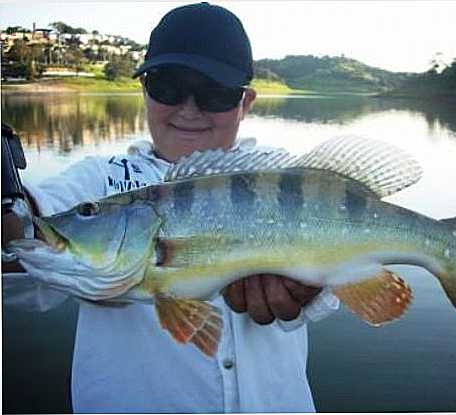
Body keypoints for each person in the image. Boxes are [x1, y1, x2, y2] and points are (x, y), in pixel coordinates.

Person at [2, 3, 339, 413]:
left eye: (214, 93)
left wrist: (311, 291)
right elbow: (25, 232)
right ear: (145, 89)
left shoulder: (283, 176)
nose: (189, 108)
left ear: (245, 103)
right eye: (168, 86)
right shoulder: (98, 183)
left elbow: (336, 275)